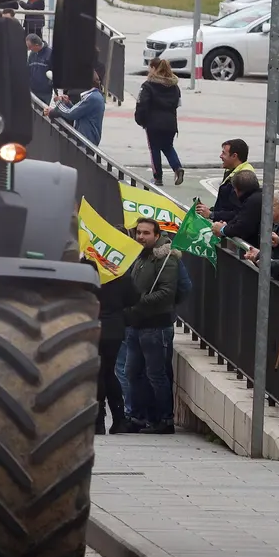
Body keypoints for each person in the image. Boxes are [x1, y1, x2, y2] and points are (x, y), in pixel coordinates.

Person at [113, 217, 179, 434]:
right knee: (132, 372)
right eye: (139, 232)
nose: (141, 236)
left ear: (157, 235)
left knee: (156, 375)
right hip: (135, 325)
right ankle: (138, 417)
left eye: (146, 233)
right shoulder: (139, 256)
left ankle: (164, 420)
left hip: (155, 326)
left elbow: (167, 293)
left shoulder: (166, 259)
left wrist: (138, 301)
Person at [97, 244, 142, 434]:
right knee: (108, 372)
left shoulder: (89, 271)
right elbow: (134, 298)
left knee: (98, 373)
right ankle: (119, 418)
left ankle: (98, 421)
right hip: (115, 329)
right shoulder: (120, 273)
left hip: (94, 326)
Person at [136, 58, 183, 186]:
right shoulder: (175, 87)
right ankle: (177, 168)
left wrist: (140, 120)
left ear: (154, 69)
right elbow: (178, 104)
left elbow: (142, 104)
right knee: (168, 147)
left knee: (154, 149)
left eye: (150, 67)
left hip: (153, 123)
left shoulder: (148, 86)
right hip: (170, 123)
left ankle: (158, 177)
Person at [197, 139, 254, 223]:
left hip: (231, 231)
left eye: (224, 153)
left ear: (234, 156)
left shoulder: (243, 179)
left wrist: (212, 214)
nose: (220, 156)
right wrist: (210, 210)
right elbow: (227, 205)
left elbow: (239, 213)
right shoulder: (231, 171)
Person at [48, 66, 106, 145]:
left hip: (86, 140)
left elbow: (70, 114)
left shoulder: (91, 98)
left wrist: (59, 103)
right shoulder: (91, 96)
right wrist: (68, 103)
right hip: (85, 138)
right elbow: (78, 111)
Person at [25, 33, 52, 103]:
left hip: (45, 93)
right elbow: (28, 70)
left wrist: (49, 84)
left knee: (42, 112)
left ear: (36, 45)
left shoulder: (50, 54)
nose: (29, 49)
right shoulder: (32, 54)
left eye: (30, 47)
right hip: (32, 91)